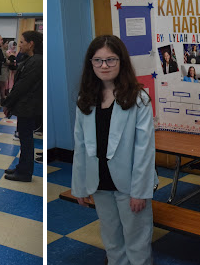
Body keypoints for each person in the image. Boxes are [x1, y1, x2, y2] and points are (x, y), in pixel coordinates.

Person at [71, 35, 155, 265]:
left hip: (129, 183)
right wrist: (79, 184)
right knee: (111, 239)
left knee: (137, 239)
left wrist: (140, 191)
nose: (104, 66)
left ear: (122, 62)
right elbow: (80, 145)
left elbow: (144, 150)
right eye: (98, 60)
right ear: (91, 64)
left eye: (111, 60)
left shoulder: (138, 98)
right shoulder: (85, 99)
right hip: (99, 182)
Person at [2, 30, 42, 182]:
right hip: (26, 105)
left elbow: (22, 85)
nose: (20, 45)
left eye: (22, 42)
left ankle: (25, 172)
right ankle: (21, 167)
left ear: (31, 44)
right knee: (24, 139)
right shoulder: (31, 59)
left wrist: (8, 103)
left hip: (29, 106)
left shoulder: (37, 61)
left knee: (26, 140)